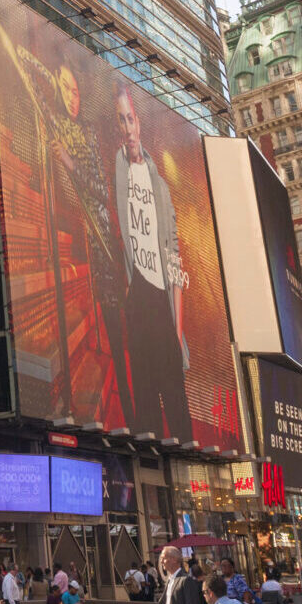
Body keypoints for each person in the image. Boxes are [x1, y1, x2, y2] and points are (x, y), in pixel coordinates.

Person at [107, 80, 193, 440]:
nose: (127, 128)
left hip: (161, 297)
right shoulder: (119, 168)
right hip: (137, 295)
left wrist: (177, 325)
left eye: (130, 119)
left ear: (138, 121)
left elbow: (174, 255)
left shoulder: (159, 183)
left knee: (174, 397)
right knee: (144, 400)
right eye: (120, 122)